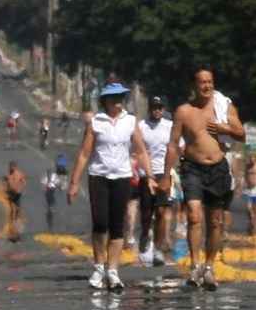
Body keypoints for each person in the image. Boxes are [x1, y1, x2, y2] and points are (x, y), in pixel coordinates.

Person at [159, 66, 245, 290]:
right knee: (195, 216)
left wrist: (222, 127)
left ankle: (209, 266)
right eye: (202, 82)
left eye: (210, 82)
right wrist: (166, 175)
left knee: (215, 221)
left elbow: (241, 134)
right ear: (194, 86)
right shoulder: (184, 112)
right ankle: (195, 265)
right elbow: (172, 144)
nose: (207, 86)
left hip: (217, 168)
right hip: (193, 169)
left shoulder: (223, 107)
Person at [68, 81, 155, 290]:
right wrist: (73, 182)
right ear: (105, 101)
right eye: (113, 98)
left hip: (122, 177)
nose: (118, 102)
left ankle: (113, 271)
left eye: (121, 98)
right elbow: (84, 154)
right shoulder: (96, 122)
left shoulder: (130, 121)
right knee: (100, 223)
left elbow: (141, 151)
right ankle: (99, 267)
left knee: (118, 225)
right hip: (99, 176)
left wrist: (149, 176)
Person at [137, 96, 174, 266]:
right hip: (146, 174)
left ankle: (158, 248)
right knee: (146, 213)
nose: (157, 110)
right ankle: (145, 234)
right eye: (154, 107)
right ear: (149, 109)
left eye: (160, 107)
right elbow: (136, 151)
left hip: (164, 173)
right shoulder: (141, 126)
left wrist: (174, 169)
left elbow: (177, 148)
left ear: (164, 108)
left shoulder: (169, 126)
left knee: (161, 212)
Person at [5, 161, 27, 242]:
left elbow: (24, 182)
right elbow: (8, 184)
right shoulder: (9, 175)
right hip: (11, 194)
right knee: (12, 210)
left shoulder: (18, 173)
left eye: (12, 167)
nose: (10, 168)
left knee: (17, 210)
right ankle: (13, 227)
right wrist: (7, 191)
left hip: (17, 194)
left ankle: (17, 229)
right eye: (10, 167)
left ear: (15, 167)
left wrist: (20, 188)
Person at [243, 158, 256, 236]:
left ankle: (253, 229)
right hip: (249, 191)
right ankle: (251, 228)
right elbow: (245, 176)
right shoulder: (248, 166)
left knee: (253, 211)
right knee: (250, 211)